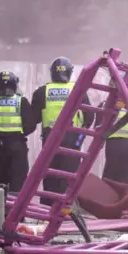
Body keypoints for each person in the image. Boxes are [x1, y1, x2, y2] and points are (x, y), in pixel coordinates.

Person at [31, 57, 94, 206]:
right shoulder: (78, 91)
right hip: (72, 143)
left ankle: (46, 212)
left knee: (49, 178)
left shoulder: (42, 92)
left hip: (50, 141)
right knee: (68, 180)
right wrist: (79, 140)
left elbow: (34, 119)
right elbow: (89, 117)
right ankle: (66, 214)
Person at [0, 71, 35, 194]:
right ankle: (16, 211)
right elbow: (31, 125)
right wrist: (19, 134)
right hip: (17, 146)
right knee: (18, 183)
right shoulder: (21, 101)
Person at [95, 99, 128, 184]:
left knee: (111, 171)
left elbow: (98, 126)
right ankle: (127, 193)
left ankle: (109, 192)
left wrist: (100, 142)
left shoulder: (104, 104)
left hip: (112, 143)